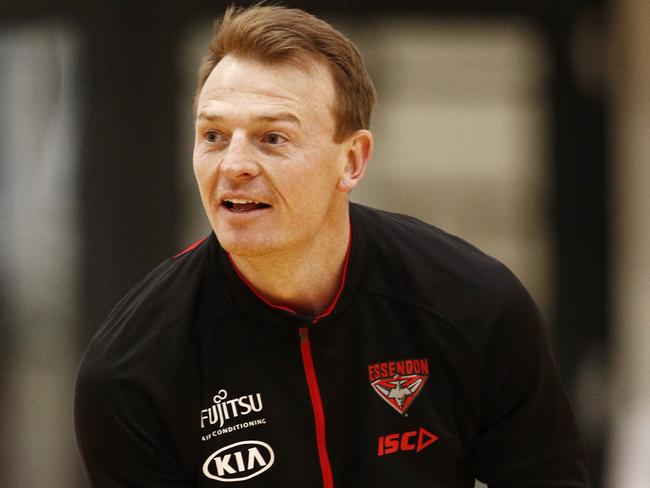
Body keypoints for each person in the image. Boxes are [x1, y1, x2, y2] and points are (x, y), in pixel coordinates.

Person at [74, 4, 590, 487]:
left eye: (272, 137)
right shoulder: (131, 372)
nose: (233, 165)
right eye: (212, 136)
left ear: (353, 161)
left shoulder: (475, 305)